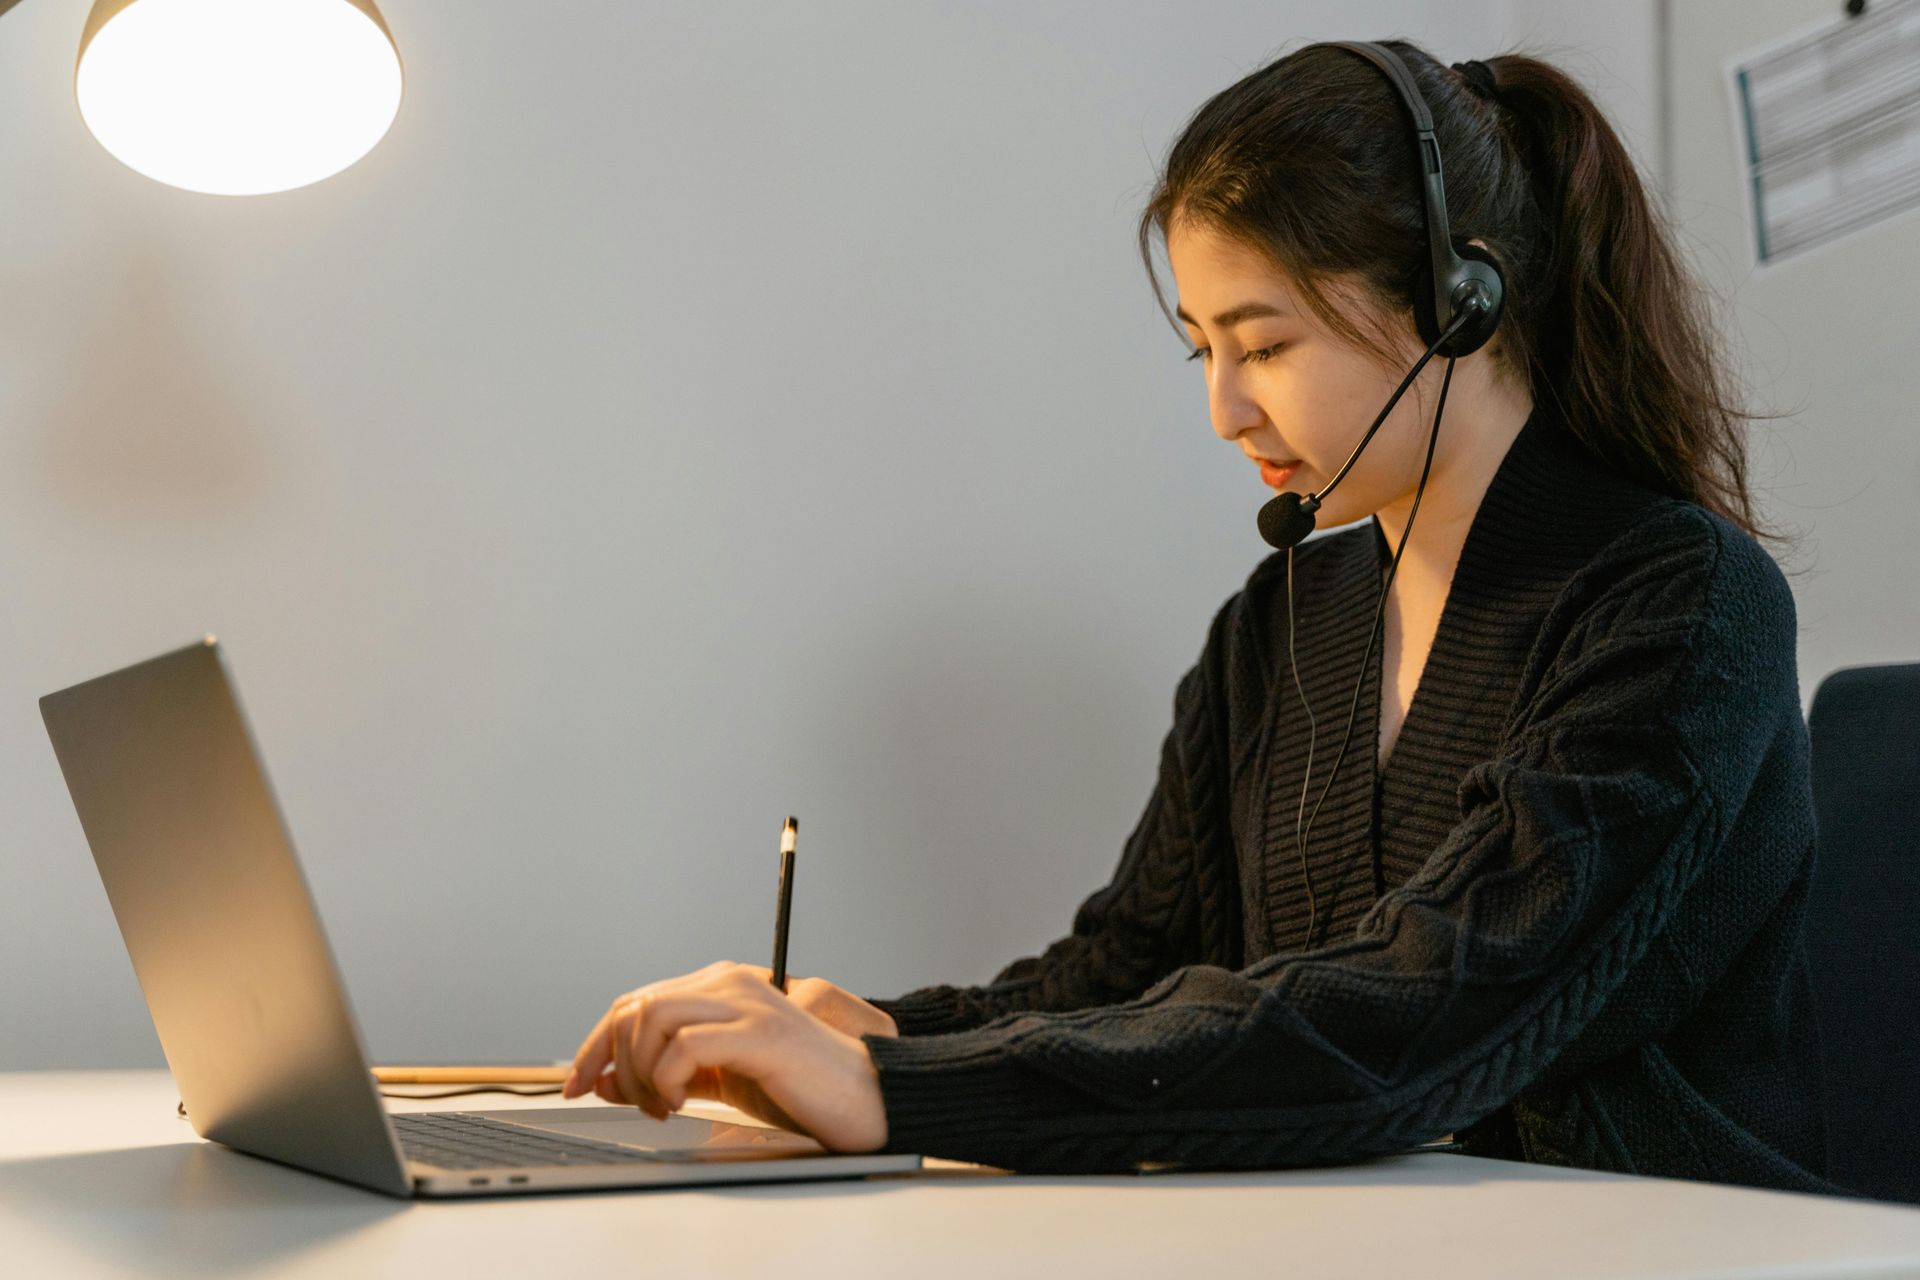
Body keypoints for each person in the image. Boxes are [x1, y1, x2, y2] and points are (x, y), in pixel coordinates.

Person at [559, 38, 1843, 1195]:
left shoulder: (1680, 604)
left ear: (1461, 302)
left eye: (1264, 344)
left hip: (1655, 1241)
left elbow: (1431, 1005)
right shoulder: (1283, 620)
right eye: (1202, 350)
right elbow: (1130, 972)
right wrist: (882, 1033)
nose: (1225, 408)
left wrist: (896, 1096)